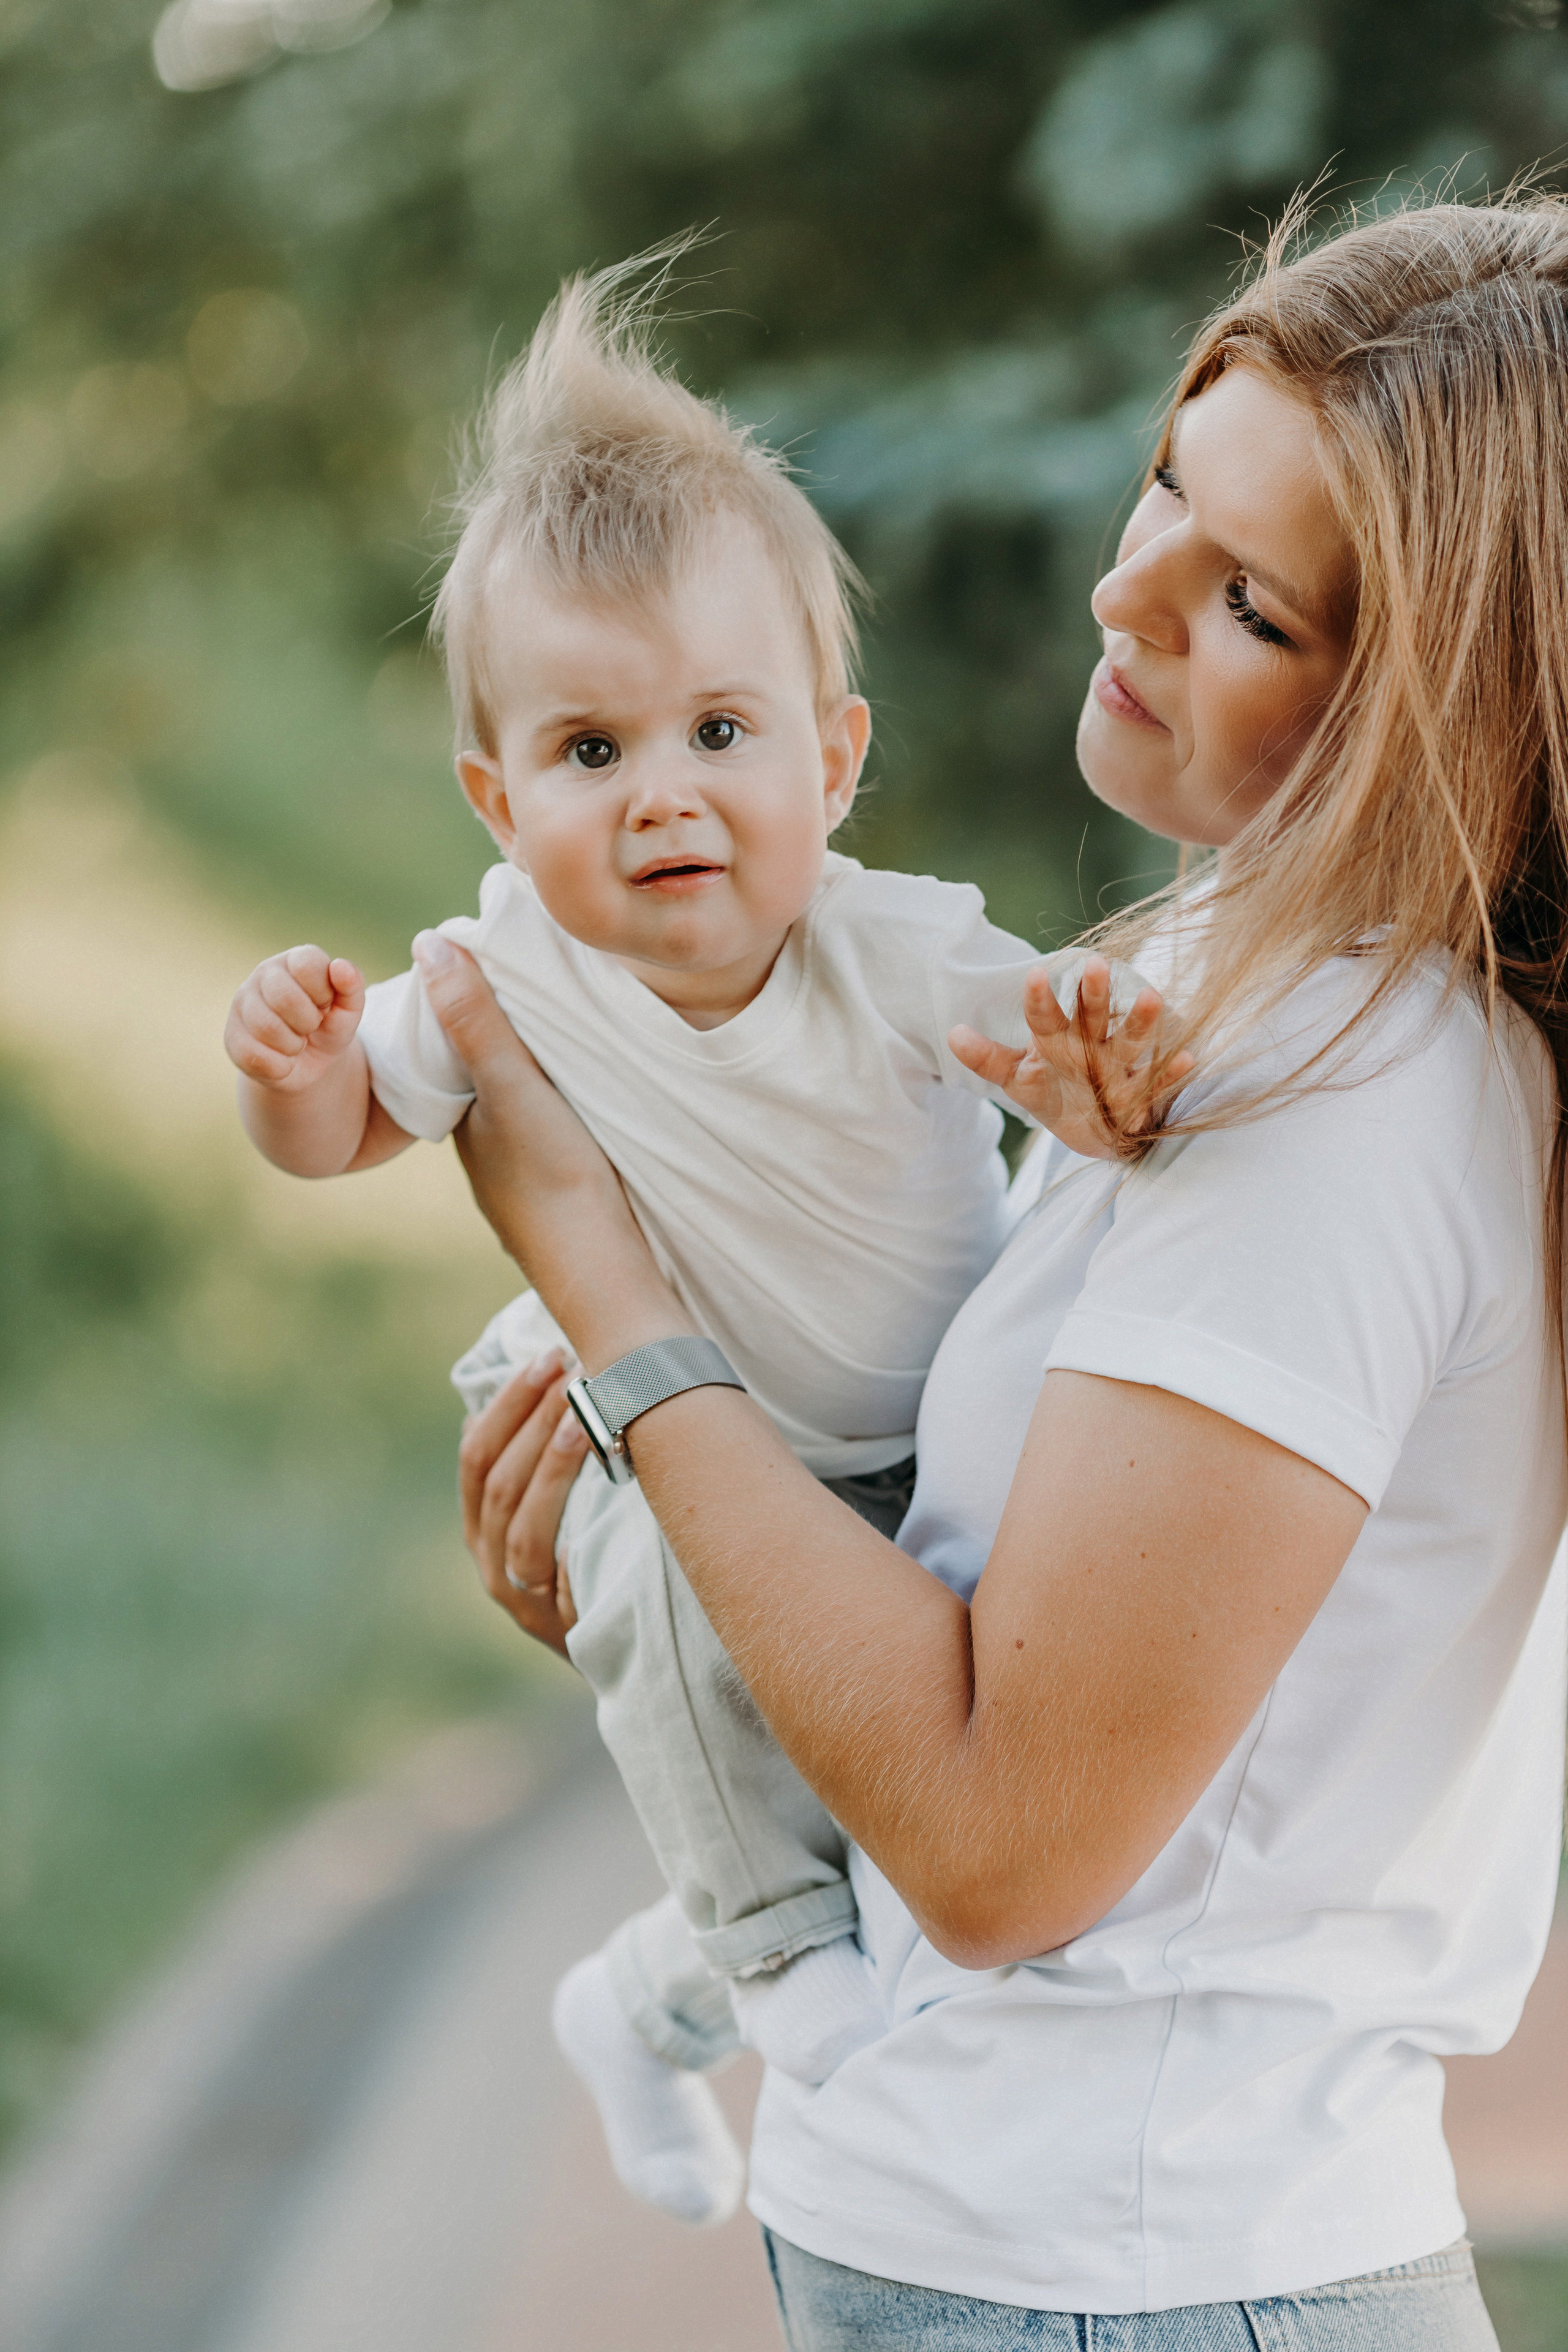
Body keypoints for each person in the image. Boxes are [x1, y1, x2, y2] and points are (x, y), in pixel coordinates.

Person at [428, 193, 1568, 2350]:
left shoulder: (1339, 1095)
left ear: (1427, 707)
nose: (1122, 590)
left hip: (1126, 2279)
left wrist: (604, 1290)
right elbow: (984, 1579)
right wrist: (661, 1504)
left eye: (1246, 601)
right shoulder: (1215, 1005)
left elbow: (1002, 1838)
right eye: (1168, 483)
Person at [222, 255, 1179, 2227]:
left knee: (906, 1771)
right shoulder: (498, 973)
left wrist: (1094, 1065)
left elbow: (1045, 1043)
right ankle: (756, 1957)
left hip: (901, 1436)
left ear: (829, 762)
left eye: (718, 733)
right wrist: (292, 1067)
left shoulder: (891, 946)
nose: (663, 798)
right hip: (634, 1419)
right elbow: (334, 1139)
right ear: (499, 796)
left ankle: (636, 2003)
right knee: (666, 1607)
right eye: (590, 755)